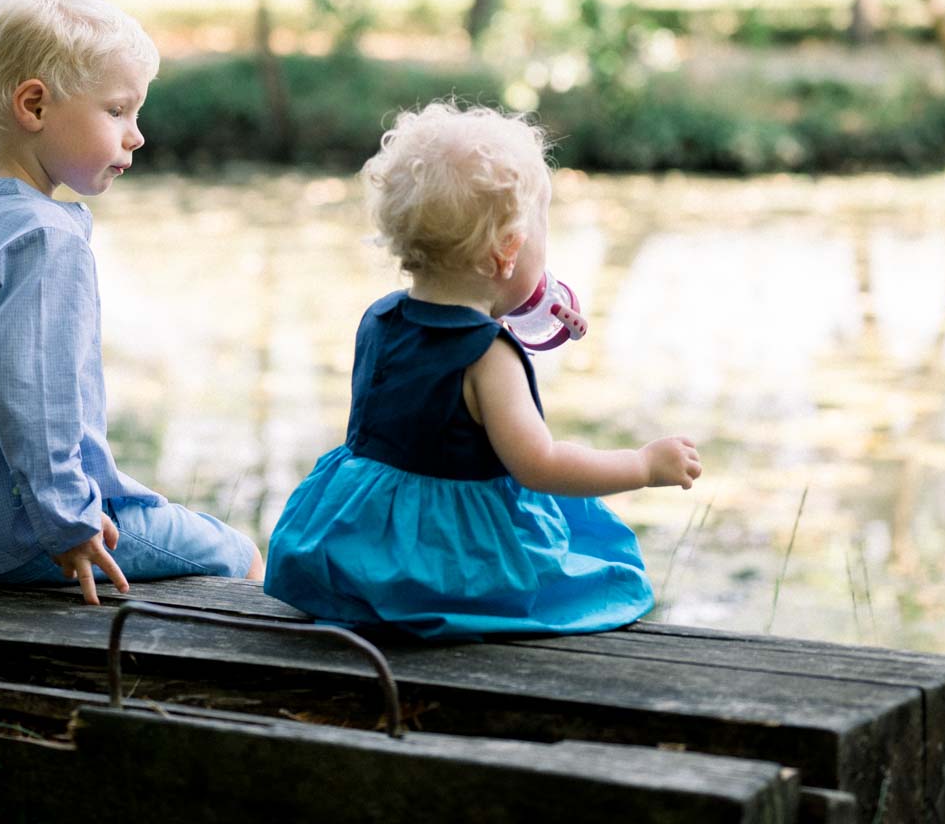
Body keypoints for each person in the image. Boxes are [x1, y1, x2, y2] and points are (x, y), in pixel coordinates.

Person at [0, 0, 262, 603]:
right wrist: (69, 525)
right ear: (35, 106)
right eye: (116, 111)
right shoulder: (42, 238)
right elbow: (35, 401)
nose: (135, 135)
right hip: (33, 536)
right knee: (238, 555)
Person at [264, 101, 702, 639]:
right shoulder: (489, 355)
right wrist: (641, 465)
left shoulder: (380, 318)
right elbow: (539, 466)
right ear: (508, 254)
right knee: (606, 570)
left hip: (361, 543)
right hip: (447, 560)